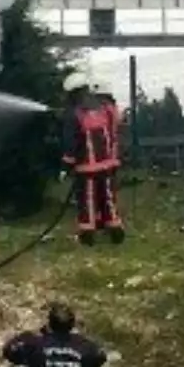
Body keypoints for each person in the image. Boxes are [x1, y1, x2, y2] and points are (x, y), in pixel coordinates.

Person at [61, 72, 125, 245]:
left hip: (86, 168)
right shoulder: (104, 109)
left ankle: (87, 235)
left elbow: (71, 141)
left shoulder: (74, 113)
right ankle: (115, 229)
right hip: (109, 164)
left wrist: (67, 164)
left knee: (87, 200)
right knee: (108, 197)